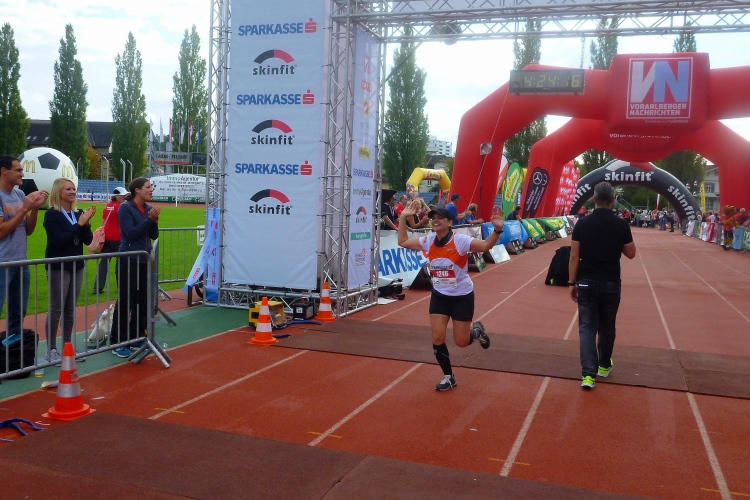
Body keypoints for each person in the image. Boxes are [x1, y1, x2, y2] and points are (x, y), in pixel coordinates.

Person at [397, 200, 504, 391]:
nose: (436, 221)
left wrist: (497, 230)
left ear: (449, 222)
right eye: (433, 218)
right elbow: (402, 241)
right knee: (437, 337)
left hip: (461, 296)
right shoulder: (429, 240)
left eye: (440, 218)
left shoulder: (460, 240)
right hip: (440, 295)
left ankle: (477, 331)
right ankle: (449, 376)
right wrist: (403, 218)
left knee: (461, 342)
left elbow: (485, 245)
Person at [568, 182, 636, 390]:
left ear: (594, 199)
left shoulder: (582, 224)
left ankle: (588, 375)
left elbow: (574, 256)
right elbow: (631, 254)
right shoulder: (621, 225)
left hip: (586, 281)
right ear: (613, 200)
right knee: (607, 325)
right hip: (611, 281)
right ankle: (604, 365)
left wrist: (571, 282)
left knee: (587, 327)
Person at [43, 178, 96, 362]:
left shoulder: (78, 213)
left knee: (70, 307)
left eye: (74, 189)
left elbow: (88, 240)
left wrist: (86, 224)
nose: (73, 192)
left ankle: (67, 347)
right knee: (56, 307)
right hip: (58, 265)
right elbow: (59, 240)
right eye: (68, 189)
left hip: (76, 265)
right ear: (58, 192)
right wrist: (79, 224)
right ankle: (51, 350)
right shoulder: (52, 214)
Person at [109, 177, 160, 358]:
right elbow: (129, 233)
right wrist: (149, 220)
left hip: (144, 260)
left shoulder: (148, 208)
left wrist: (154, 220)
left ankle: (136, 336)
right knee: (126, 301)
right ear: (137, 190)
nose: (151, 190)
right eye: (148, 187)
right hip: (128, 259)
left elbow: (153, 235)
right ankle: (118, 341)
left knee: (142, 300)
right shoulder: (125, 208)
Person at [0, 156, 49, 340]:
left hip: (21, 262)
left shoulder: (20, 195)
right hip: (2, 263)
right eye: (18, 170)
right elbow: (1, 232)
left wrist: (34, 208)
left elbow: (28, 230)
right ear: (4, 171)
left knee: (18, 310)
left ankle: (12, 349)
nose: (22, 173)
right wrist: (23, 209)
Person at [94, 187, 128, 293]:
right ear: (117, 196)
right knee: (120, 262)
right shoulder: (121, 207)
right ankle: (121, 286)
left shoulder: (107, 206)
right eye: (122, 195)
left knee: (104, 262)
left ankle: (97, 287)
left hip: (107, 237)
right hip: (117, 237)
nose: (124, 197)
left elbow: (103, 221)